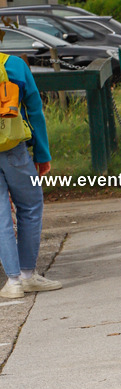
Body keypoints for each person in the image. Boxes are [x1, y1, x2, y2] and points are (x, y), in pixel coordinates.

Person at [0, 53, 61, 299]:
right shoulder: (14, 65)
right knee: (30, 205)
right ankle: (27, 274)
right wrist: (42, 154)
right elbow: (34, 110)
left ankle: (13, 281)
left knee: (1, 215)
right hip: (14, 149)